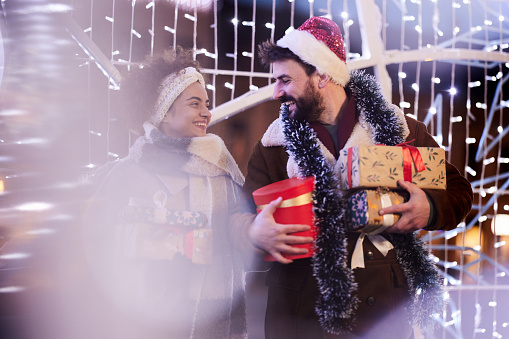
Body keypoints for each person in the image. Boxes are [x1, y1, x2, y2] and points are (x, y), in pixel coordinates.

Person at [235, 17, 473, 338]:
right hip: (299, 311)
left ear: (321, 75)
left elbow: (458, 190)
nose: (276, 92)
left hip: (383, 307)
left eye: (285, 80)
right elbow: (235, 214)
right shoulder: (273, 144)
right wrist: (252, 230)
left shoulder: (402, 129)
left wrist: (428, 207)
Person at [83, 47, 249, 339]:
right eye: (194, 104)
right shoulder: (129, 173)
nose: (206, 113)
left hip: (216, 319)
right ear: (164, 111)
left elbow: (238, 225)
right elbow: (99, 247)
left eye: (206, 104)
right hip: (153, 319)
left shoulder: (221, 167)